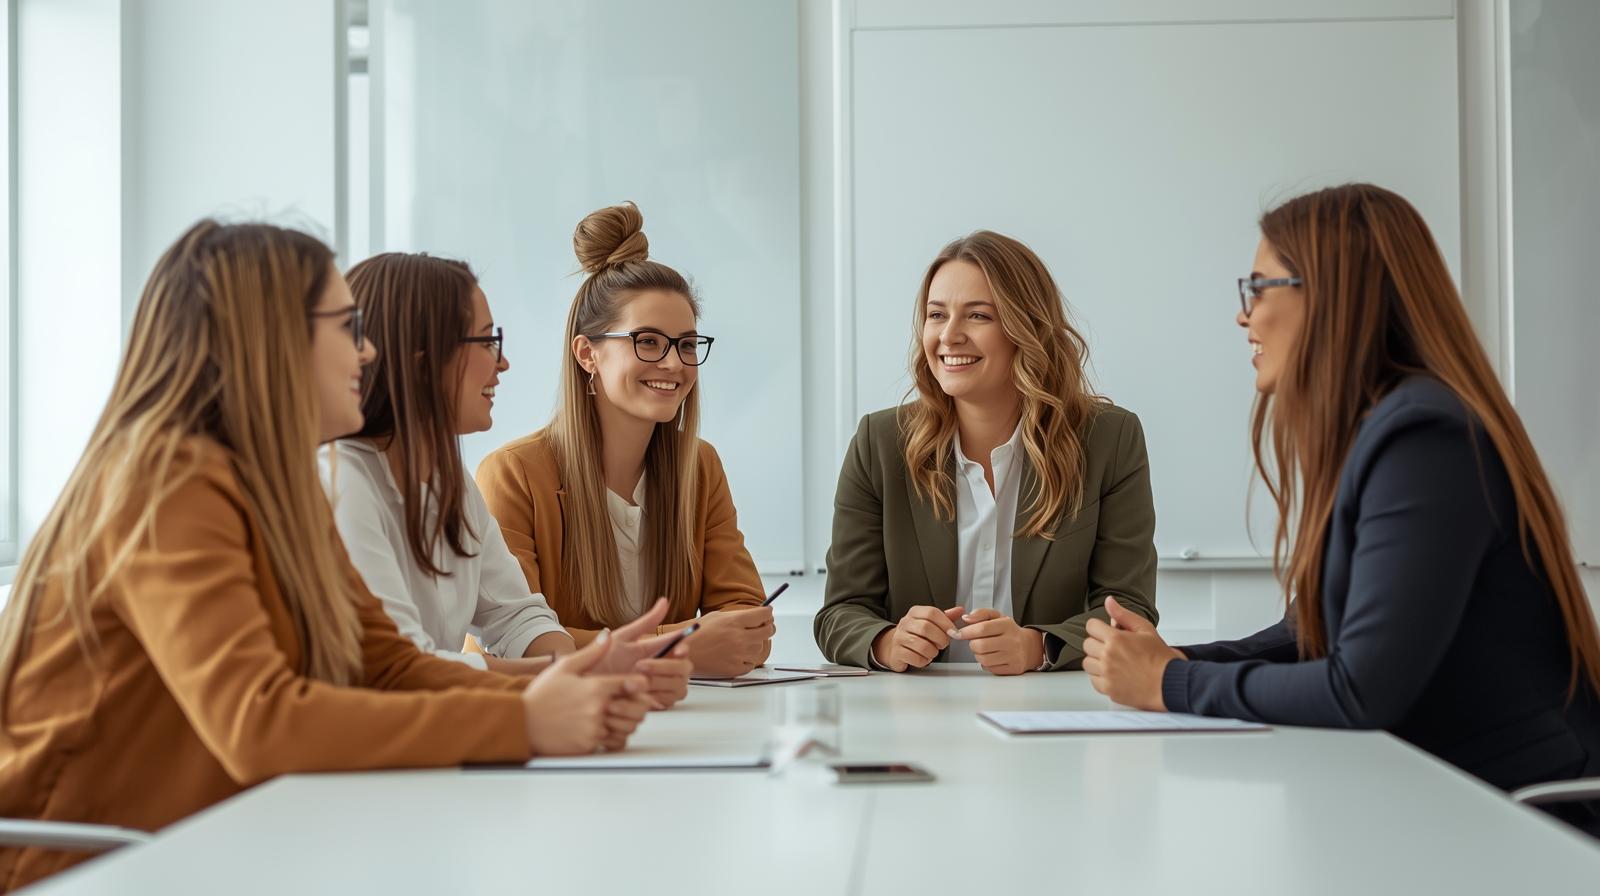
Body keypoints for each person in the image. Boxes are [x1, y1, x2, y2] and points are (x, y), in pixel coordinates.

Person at [0, 221, 651, 891]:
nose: (367, 353)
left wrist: (561, 689)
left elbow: (387, 666)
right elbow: (260, 722)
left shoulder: (275, 486)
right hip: (85, 869)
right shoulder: (168, 482)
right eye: (347, 328)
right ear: (270, 339)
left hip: (198, 846)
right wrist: (524, 720)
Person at [1082, 183, 1600, 834]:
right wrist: (1176, 662)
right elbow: (1310, 635)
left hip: (1527, 820)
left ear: (1329, 291)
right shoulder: (1387, 428)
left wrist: (1168, 683)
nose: (1243, 316)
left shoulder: (1423, 438)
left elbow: (1360, 688)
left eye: (1258, 287)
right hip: (1447, 802)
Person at [324, 251, 691, 707]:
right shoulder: (341, 481)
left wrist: (585, 672)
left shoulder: (449, 479)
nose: (502, 364)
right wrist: (576, 672)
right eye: (485, 342)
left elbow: (516, 617)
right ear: (421, 359)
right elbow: (399, 666)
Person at [815, 230, 1158, 674]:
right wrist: (887, 642)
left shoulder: (1109, 439)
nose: (948, 336)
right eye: (937, 315)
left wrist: (1038, 647)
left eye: (978, 315)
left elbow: (1128, 608)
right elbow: (840, 613)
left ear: (1026, 328)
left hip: (1048, 703)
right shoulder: (879, 443)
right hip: (917, 705)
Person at [477, 202, 774, 679]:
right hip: (561, 716)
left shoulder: (700, 466)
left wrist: (709, 641)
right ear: (587, 354)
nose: (674, 364)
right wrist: (679, 647)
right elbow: (511, 643)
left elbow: (746, 623)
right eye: (648, 341)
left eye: (686, 344)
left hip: (685, 710)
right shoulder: (513, 474)